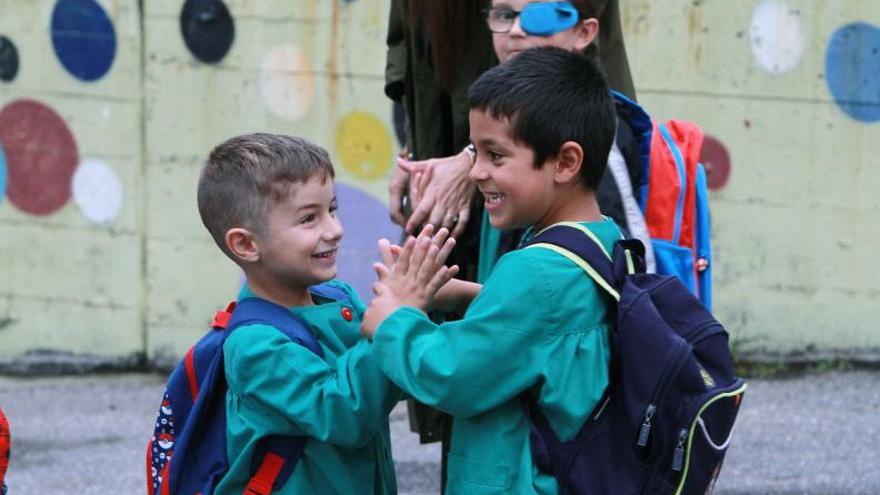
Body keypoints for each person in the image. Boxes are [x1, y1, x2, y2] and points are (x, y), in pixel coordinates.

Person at [363, 47, 621, 494]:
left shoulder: (535, 272)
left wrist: (393, 320)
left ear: (565, 162)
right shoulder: (603, 240)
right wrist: (468, 295)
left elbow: (451, 375)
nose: (477, 172)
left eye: (495, 156)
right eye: (475, 152)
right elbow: (552, 335)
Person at [196, 133, 450, 493]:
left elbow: (389, 371)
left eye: (331, 210)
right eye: (308, 219)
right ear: (246, 244)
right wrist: (398, 311)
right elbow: (345, 415)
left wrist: (429, 304)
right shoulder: (255, 344)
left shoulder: (337, 299)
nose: (335, 229)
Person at [387, 0, 647, 284]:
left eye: (540, 17)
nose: (516, 30)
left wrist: (403, 325)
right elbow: (511, 300)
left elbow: (626, 280)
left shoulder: (596, 136)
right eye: (503, 15)